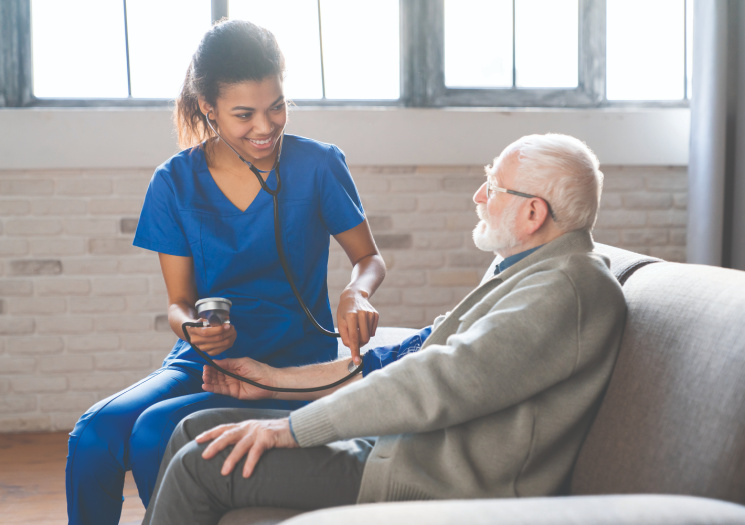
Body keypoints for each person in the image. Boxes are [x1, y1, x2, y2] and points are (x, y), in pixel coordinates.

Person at [142, 133, 628, 524]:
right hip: (395, 446)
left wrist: (290, 430)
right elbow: (404, 357)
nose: (479, 196)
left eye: (494, 186)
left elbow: (436, 382)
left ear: (532, 212)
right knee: (194, 430)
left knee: (202, 462)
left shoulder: (568, 289)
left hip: (433, 481)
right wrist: (266, 379)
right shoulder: (526, 272)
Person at [65, 19, 386, 525]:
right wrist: (193, 329)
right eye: (244, 114)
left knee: (154, 433)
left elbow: (369, 259)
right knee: (95, 434)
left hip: (292, 361)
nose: (265, 126)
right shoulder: (174, 181)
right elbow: (178, 303)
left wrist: (355, 293)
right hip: (206, 358)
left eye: (276, 106)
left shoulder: (319, 165)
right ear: (207, 109)